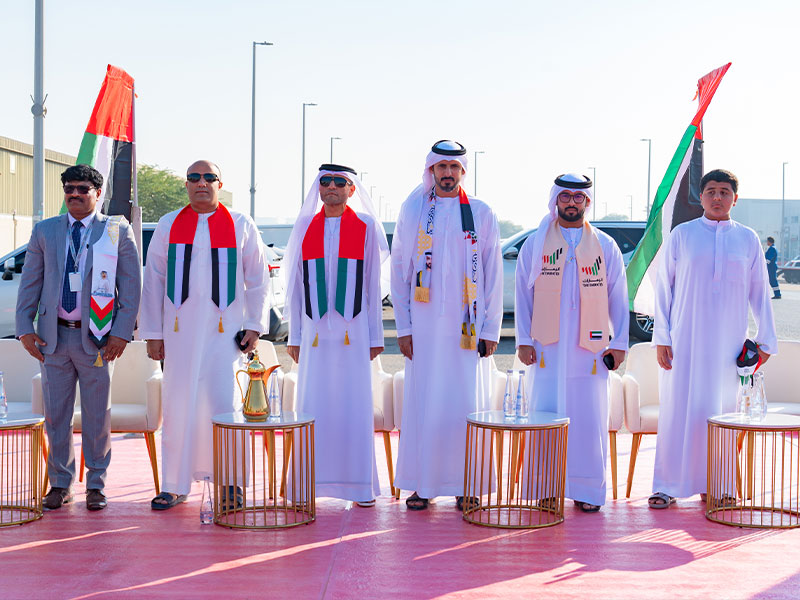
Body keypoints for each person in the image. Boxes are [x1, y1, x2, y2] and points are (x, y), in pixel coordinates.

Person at [140, 160, 269, 510]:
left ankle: (231, 484)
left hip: (224, 335)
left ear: (219, 184)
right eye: (194, 177)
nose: (201, 183)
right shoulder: (168, 224)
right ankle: (174, 484)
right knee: (178, 405)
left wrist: (255, 325)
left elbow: (258, 278)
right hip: (178, 334)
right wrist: (152, 333)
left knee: (224, 406)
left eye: (209, 177)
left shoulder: (240, 224)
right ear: (186, 184)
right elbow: (154, 280)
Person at [16, 164, 141, 511]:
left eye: (82, 189)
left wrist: (121, 333)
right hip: (53, 339)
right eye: (69, 188)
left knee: (97, 416)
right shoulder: (45, 231)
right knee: (56, 416)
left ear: (97, 194)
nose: (74, 194)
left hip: (98, 339)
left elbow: (131, 286)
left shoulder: (115, 230)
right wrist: (25, 328)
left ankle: (96, 484)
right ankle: (60, 483)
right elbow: (30, 281)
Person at [650, 169, 778, 509]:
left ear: (735, 198)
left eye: (724, 191)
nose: (717, 197)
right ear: (701, 196)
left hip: (728, 344)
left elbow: (760, 291)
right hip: (684, 341)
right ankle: (666, 486)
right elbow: (664, 289)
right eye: (711, 191)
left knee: (723, 412)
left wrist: (766, 341)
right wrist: (662, 337)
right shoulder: (682, 235)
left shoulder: (748, 239)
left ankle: (719, 487)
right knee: (677, 410)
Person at [392, 140, 503, 510]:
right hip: (423, 328)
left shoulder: (481, 213)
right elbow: (400, 271)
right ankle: (422, 484)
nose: (448, 174)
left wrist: (490, 330)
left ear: (463, 173)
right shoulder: (413, 211)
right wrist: (404, 327)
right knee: (424, 403)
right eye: (442, 167)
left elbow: (493, 273)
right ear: (431, 171)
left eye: (455, 167)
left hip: (467, 329)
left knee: (465, 404)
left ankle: (467, 485)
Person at [515, 173, 629, 512]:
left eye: (578, 197)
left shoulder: (604, 245)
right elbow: (523, 293)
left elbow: (618, 296)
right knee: (545, 416)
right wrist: (523, 339)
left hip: (589, 352)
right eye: (565, 196)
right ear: (555, 200)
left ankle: (586, 490)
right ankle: (546, 489)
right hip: (546, 350)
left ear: (587, 202)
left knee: (588, 420)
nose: (571, 203)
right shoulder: (536, 243)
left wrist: (619, 342)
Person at [284, 164, 388, 506]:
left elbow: (372, 283)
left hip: (353, 331)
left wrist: (375, 336)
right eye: (325, 181)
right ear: (319, 187)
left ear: (351, 189)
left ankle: (358, 486)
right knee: (313, 405)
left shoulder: (366, 226)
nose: (331, 187)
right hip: (313, 332)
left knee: (354, 405)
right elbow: (295, 285)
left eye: (339, 182)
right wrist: (294, 335)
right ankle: (307, 486)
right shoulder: (305, 226)